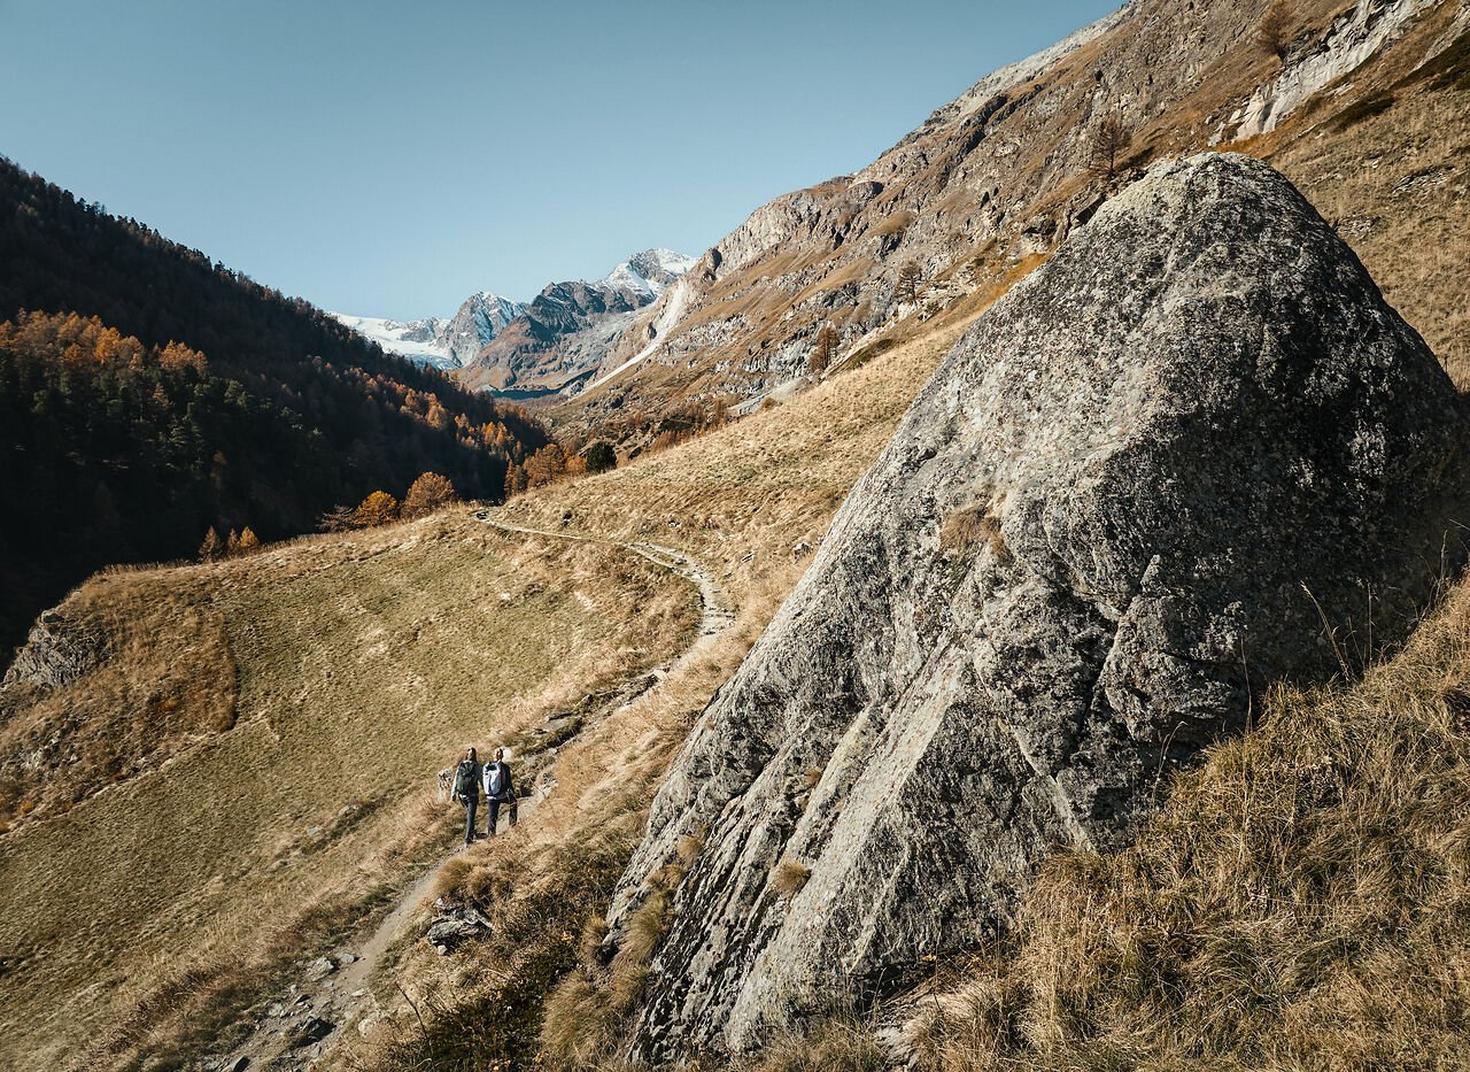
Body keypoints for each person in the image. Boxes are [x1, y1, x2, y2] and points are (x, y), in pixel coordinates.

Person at [481, 747, 517, 837]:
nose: (499, 753)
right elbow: (508, 782)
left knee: (493, 816)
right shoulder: (501, 767)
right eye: (497, 752)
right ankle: (512, 825)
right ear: (494, 755)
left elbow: (508, 781)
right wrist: (511, 791)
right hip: (498, 795)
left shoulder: (491, 766)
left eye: (500, 752)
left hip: (493, 796)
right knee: (512, 803)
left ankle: (492, 835)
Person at [451, 746, 482, 846]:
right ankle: (468, 839)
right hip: (471, 795)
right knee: (470, 816)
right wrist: (487, 791)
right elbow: (481, 779)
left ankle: (470, 835)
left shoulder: (461, 765)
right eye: (470, 752)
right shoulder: (476, 766)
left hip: (462, 794)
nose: (471, 754)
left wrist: (453, 793)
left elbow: (456, 779)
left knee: (470, 816)